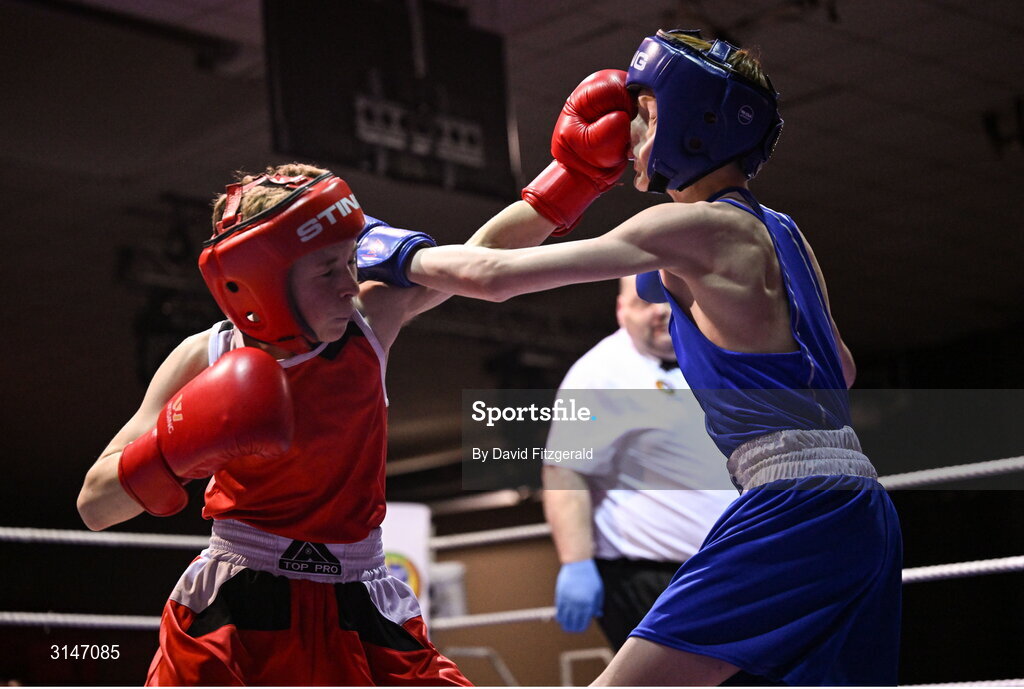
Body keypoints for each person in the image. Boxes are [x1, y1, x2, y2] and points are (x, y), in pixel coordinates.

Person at [73, 65, 639, 686]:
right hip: (238, 601)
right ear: (261, 281)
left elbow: (483, 255)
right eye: (326, 272)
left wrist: (575, 178)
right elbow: (95, 506)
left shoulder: (371, 321)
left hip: (360, 596)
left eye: (350, 262)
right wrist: (176, 448)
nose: (350, 284)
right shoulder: (201, 357)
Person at [404, 29, 903, 686]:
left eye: (644, 112)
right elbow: (839, 368)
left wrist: (381, 249)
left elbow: (493, 274)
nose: (628, 132)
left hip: (792, 503)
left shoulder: (688, 227)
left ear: (695, 123)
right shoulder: (786, 232)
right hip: (863, 506)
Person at [543, 276, 735, 649]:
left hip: (730, 567)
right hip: (650, 577)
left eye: (667, 298)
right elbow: (563, 470)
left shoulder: (716, 353)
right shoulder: (598, 374)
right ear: (620, 311)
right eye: (643, 301)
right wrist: (575, 563)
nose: (660, 311)